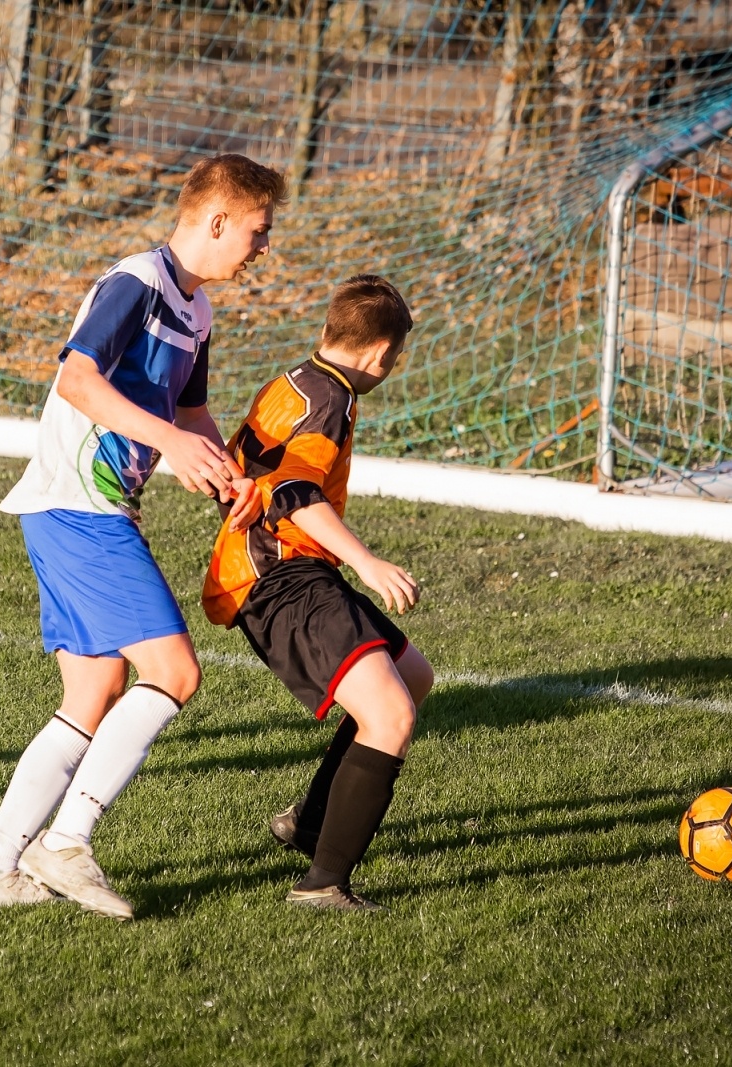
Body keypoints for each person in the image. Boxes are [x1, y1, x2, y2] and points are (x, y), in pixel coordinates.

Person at [0, 154, 288, 918]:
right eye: (257, 231)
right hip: (78, 508)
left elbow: (191, 413)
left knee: (95, 691)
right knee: (174, 673)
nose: (264, 247)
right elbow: (75, 377)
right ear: (215, 222)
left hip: (92, 510)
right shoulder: (135, 281)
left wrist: (229, 479)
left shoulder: (197, 308)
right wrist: (168, 445)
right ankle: (66, 842)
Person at [201, 274, 434, 911]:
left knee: (410, 676)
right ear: (380, 355)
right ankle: (323, 882)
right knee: (390, 715)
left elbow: (238, 463)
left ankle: (309, 822)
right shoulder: (330, 400)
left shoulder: (292, 382)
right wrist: (366, 562)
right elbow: (294, 493)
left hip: (283, 568)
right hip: (279, 576)